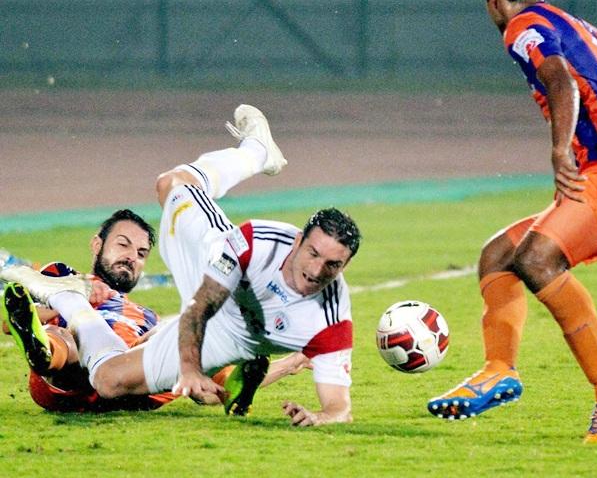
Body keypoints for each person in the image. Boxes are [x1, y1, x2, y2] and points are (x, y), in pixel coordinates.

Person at [427, 0, 597, 444]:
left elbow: (562, 83)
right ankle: (499, 369)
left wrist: (562, 150)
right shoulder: (586, 30)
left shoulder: (521, 27)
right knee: (499, 255)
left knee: (537, 259)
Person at [2, 104, 361, 426]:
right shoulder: (255, 245)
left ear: (343, 267)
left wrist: (310, 400)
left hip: (180, 360)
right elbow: (200, 307)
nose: (316, 271)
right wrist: (189, 366)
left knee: (111, 377)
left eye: (141, 252)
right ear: (298, 241)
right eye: (122, 245)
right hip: (206, 288)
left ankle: (68, 309)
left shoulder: (332, 323)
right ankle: (256, 151)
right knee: (169, 184)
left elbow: (337, 406)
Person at [1, 209, 309, 413]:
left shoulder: (145, 315)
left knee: (179, 334)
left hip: (133, 386)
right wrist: (82, 298)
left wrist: (291, 363)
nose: (131, 257)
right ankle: (42, 351)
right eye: (122, 245)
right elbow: (7, 320)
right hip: (67, 380)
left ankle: (238, 383)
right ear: (97, 244)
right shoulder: (63, 278)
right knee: (67, 336)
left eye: (141, 253)